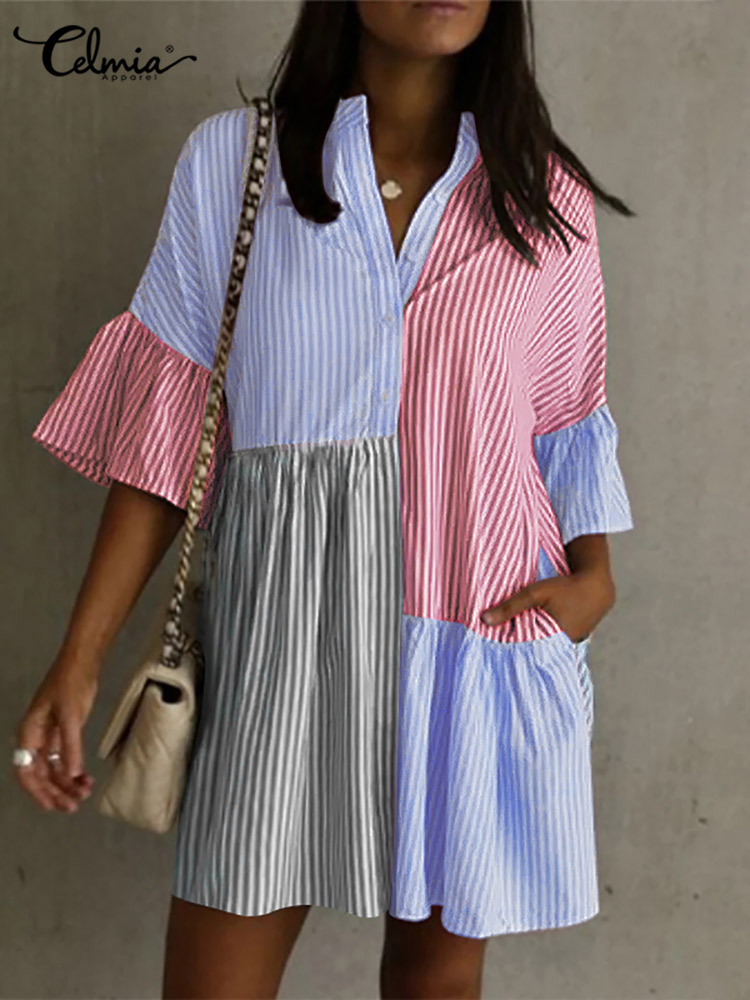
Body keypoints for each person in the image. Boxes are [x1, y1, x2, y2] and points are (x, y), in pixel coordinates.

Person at [14, 1, 636, 997]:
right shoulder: (235, 164)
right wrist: (79, 658)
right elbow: (170, 427)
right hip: (282, 634)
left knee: (436, 984)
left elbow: (567, 414)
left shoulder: (539, 190)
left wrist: (595, 577)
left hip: (469, 626)